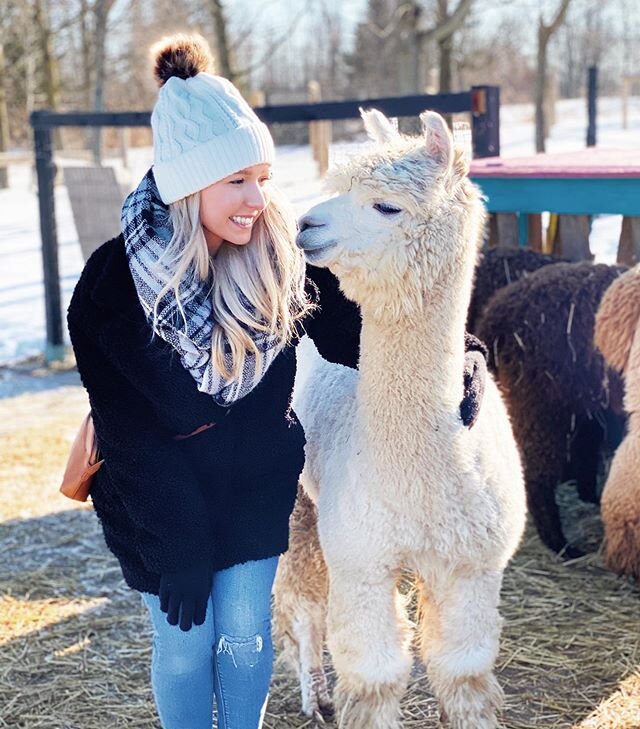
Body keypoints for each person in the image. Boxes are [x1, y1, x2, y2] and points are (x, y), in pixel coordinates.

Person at [67, 34, 486, 729]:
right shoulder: (110, 289)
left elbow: (367, 333)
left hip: (252, 483)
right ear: (185, 184)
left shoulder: (286, 262)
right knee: (183, 644)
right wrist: (180, 547)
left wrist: (460, 361)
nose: (257, 198)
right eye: (237, 181)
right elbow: (129, 431)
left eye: (262, 177)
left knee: (243, 633)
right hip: (155, 497)